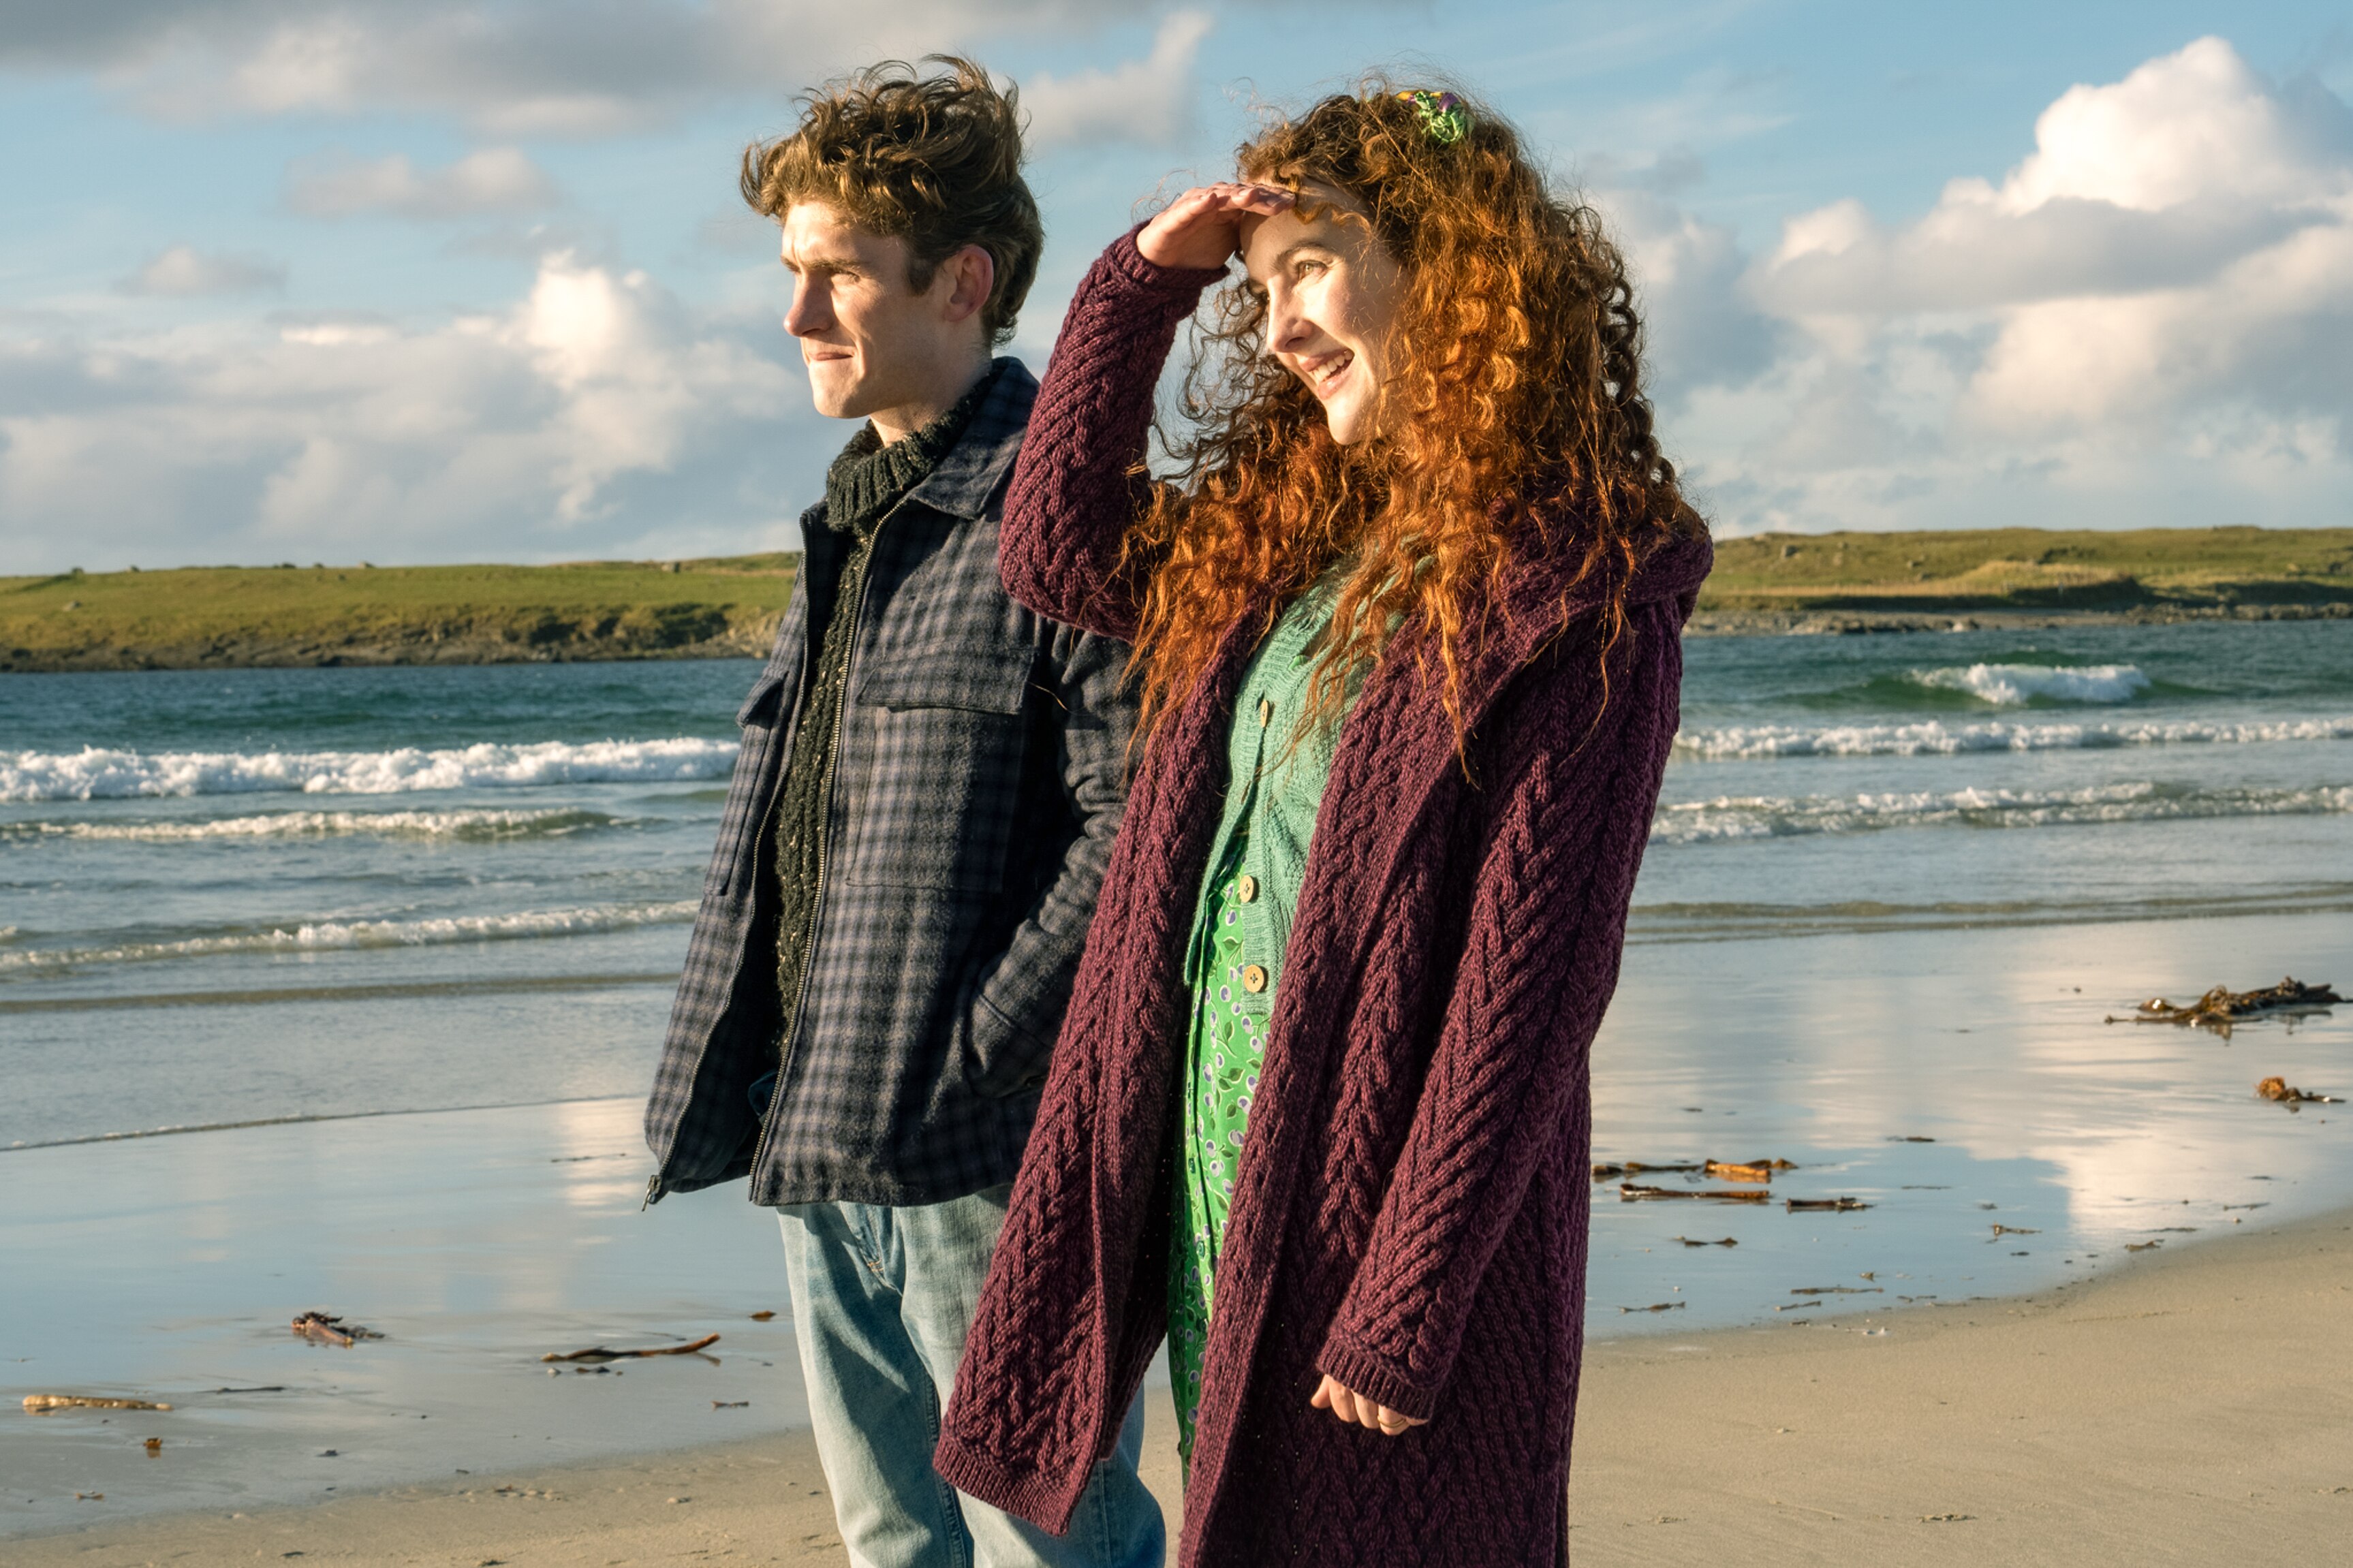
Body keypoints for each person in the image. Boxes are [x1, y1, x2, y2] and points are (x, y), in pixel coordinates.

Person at [933, 82, 1712, 1563]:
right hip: (1214, 1145)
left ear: (1452, 267)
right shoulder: (1282, 548)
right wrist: (1140, 282)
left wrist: (1411, 1285)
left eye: (1309, 269)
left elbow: (1529, 980)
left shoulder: (1577, 583)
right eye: (1262, 287)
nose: (1280, 323)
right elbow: (1051, 552)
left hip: (1391, 1206)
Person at [641, 57, 1163, 1568]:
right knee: (890, 1540)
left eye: (837, 276)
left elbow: (1138, 819)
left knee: (1051, 1539)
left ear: (962, 282)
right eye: (789, 273)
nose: (795, 316)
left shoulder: (1059, 518)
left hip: (981, 1154)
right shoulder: (850, 526)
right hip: (810, 1128)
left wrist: (980, 1050)